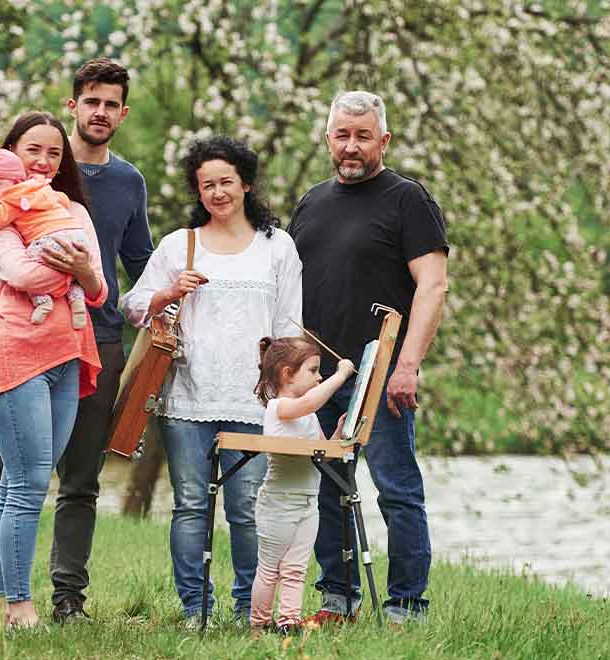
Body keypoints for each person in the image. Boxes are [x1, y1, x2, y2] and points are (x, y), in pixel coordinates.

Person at [0, 58, 154, 628]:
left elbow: (139, 263)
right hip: (24, 342)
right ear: (74, 104)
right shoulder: (27, 171)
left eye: (111, 104)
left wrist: (164, 304)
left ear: (122, 113)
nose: (100, 112)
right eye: (91, 101)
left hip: (94, 339)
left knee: (79, 482)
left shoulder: (126, 183)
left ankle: (68, 601)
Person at [120, 136, 303, 627]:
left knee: (247, 509)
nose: (218, 193)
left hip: (252, 401)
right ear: (197, 191)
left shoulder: (277, 246)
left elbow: (289, 328)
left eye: (226, 182)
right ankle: (195, 608)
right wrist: (167, 291)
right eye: (207, 185)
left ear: (246, 183)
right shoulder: (180, 244)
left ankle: (250, 607)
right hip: (186, 397)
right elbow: (133, 306)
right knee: (191, 506)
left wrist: (287, 399)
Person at [288, 90, 449, 625]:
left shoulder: (409, 200)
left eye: (362, 136)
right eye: (342, 135)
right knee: (327, 487)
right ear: (328, 138)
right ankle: (339, 599)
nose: (351, 146)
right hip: (320, 376)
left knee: (396, 490)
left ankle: (407, 605)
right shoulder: (311, 202)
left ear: (384, 140)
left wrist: (406, 365)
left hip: (380, 372)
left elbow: (433, 287)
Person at [0, 111, 107, 630]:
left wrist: (84, 272)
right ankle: (17, 606)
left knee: (34, 482)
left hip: (68, 355)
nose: (45, 162)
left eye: (54, 153)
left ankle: (14, 602)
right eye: (34, 150)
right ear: (12, 150)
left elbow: (99, 290)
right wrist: (72, 268)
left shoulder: (72, 209)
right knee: (24, 484)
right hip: (18, 353)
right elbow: (22, 273)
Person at [249, 336, 354, 635]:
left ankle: (288, 623)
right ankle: (258, 625)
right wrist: (341, 375)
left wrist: (337, 434)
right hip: (278, 505)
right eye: (313, 370)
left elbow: (324, 455)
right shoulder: (279, 407)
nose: (319, 376)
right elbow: (310, 401)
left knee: (296, 570)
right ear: (287, 373)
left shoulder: (308, 416)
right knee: (270, 571)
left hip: (308, 504)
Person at [0, 148, 90, 328]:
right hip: (77, 236)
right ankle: (77, 301)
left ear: (16, 181)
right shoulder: (40, 186)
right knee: (69, 271)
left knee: (28, 267)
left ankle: (43, 301)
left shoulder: (12, 196)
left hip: (50, 239)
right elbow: (63, 200)